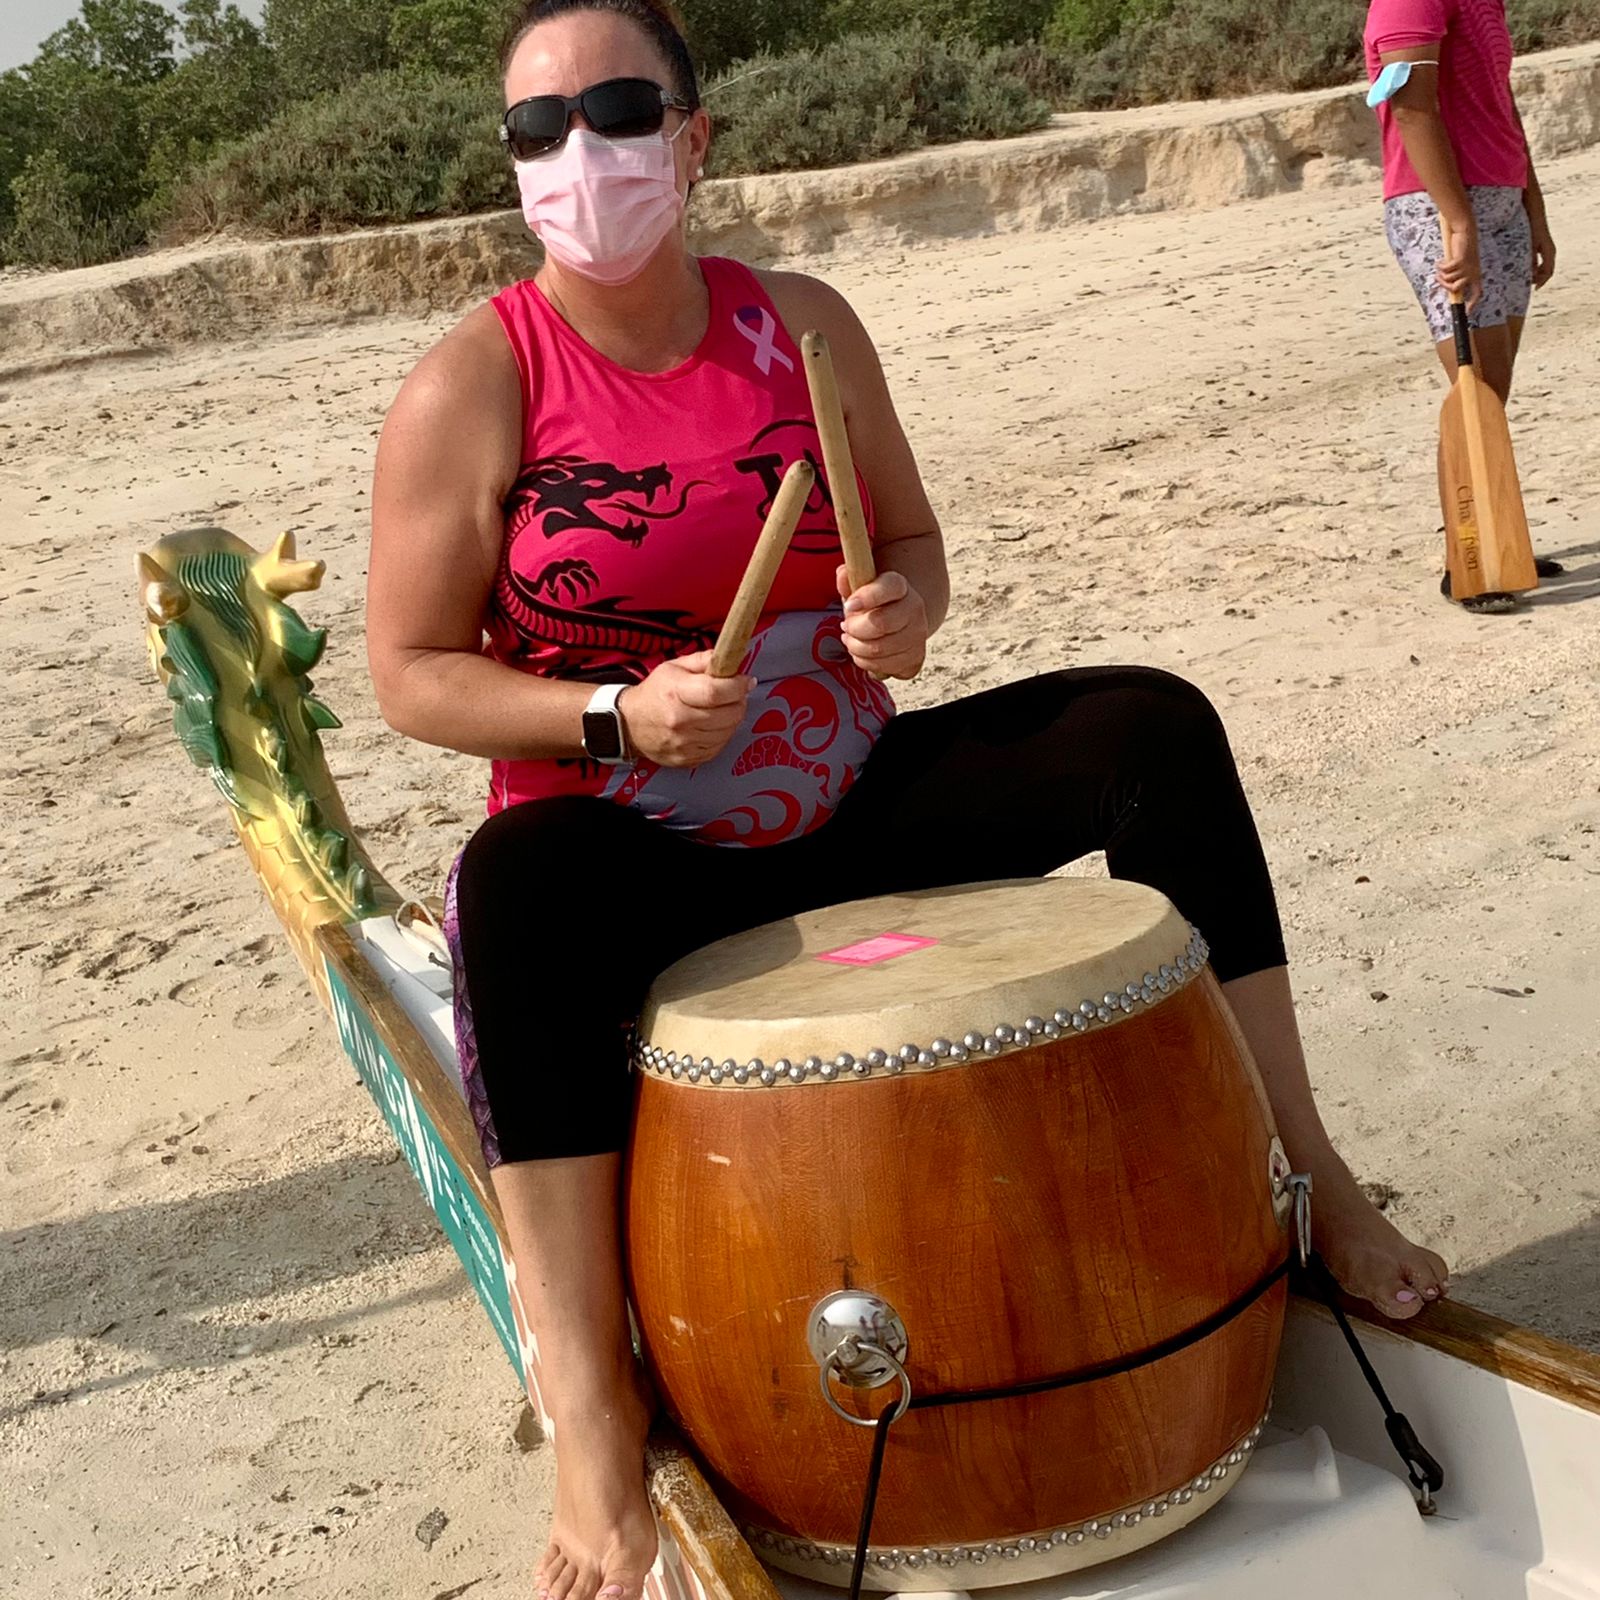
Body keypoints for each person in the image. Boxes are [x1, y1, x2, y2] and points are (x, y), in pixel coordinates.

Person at [367, 3, 1449, 1594]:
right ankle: (590, 1400)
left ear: (694, 137)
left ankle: (1313, 1183)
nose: (580, 153)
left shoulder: (800, 327)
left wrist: (905, 615)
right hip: (641, 852)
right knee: (510, 888)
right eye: (541, 129)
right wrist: (610, 714)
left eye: (619, 112)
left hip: (848, 791)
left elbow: (917, 545)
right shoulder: (478, 382)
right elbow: (409, 671)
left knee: (1153, 728)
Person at [1364, 0, 1562, 614]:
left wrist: (1534, 210)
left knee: (1492, 388)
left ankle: (1500, 538)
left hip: (1502, 201)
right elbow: (1411, 106)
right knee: (1471, 389)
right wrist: (1459, 223)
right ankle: (1468, 559)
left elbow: (1501, 104)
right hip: (1437, 206)